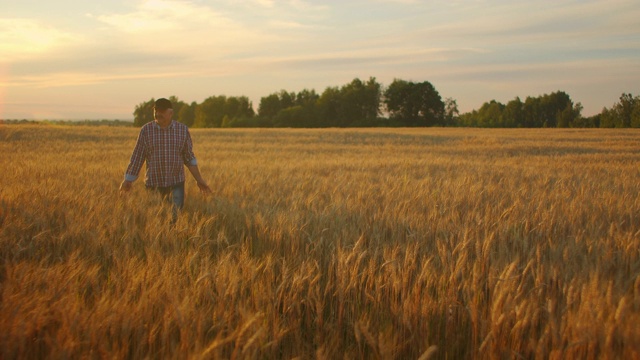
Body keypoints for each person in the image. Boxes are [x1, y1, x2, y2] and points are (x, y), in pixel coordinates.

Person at [119, 98, 211, 222]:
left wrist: (199, 180)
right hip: (153, 185)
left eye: (162, 111)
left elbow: (189, 158)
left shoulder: (182, 130)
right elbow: (137, 157)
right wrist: (128, 179)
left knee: (175, 219)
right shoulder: (146, 131)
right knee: (155, 220)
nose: (158, 114)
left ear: (170, 113)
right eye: (156, 110)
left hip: (176, 184)